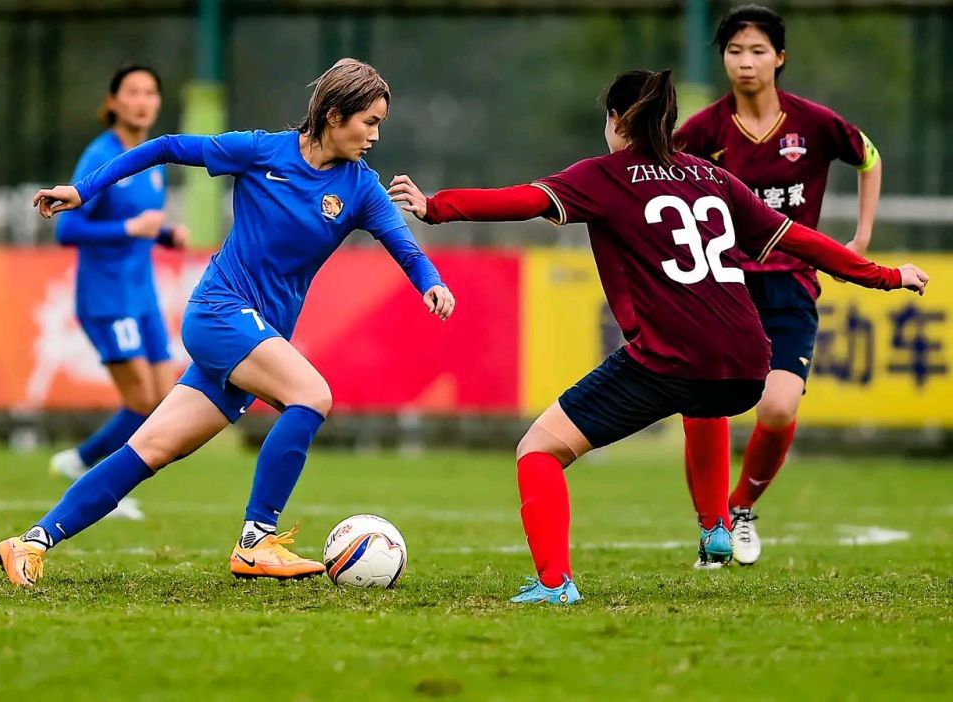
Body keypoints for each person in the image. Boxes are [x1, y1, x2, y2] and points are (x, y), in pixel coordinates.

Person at [388, 69, 925, 604]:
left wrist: (435, 207)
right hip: (746, 364)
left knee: (539, 451)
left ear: (617, 120)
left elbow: (523, 200)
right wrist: (883, 275)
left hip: (668, 362)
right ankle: (715, 526)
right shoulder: (713, 177)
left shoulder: (604, 176)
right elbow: (801, 240)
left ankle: (555, 585)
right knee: (704, 395)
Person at [0, 59, 455, 587]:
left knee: (149, 450)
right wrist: (83, 190)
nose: (375, 135)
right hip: (219, 312)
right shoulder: (262, 151)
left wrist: (431, 283)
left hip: (255, 335)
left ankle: (29, 543)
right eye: (369, 122)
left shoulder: (362, 189)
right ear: (333, 115)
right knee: (313, 395)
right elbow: (166, 146)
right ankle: (257, 539)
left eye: (380, 124)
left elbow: (406, 248)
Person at [675, 4, 884, 565]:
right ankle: (711, 527)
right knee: (702, 403)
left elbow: (868, 156)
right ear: (722, 58)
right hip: (723, 285)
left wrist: (860, 236)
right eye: (735, 51)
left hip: (791, 284)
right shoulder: (703, 131)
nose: (746, 62)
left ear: (780, 57)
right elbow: (661, 185)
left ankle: (741, 507)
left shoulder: (812, 123)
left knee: (777, 408)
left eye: (758, 50)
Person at [50, 65, 190, 521]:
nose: (143, 101)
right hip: (107, 297)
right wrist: (130, 227)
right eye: (132, 92)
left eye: (150, 92)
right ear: (113, 102)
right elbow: (66, 227)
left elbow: (140, 225)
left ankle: (82, 463)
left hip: (142, 295)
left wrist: (164, 235)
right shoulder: (100, 155)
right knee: (142, 402)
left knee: (160, 399)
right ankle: (91, 478)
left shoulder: (149, 160)